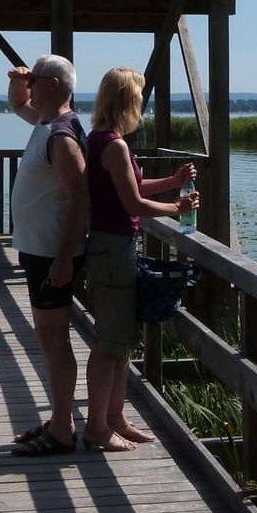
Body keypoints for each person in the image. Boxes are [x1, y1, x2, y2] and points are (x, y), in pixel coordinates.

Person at [82, 66, 197, 452]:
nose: (141, 106)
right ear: (126, 100)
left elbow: (129, 187)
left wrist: (172, 182)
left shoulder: (102, 140)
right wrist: (176, 208)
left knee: (120, 340)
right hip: (113, 248)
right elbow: (131, 202)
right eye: (138, 97)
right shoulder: (112, 145)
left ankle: (115, 417)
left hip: (111, 246)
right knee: (108, 342)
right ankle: (97, 428)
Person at [5, 54, 88, 456]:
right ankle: (61, 419)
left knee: (55, 339)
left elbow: (79, 199)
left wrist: (64, 258)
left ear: (53, 85)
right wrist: (18, 79)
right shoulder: (44, 122)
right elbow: (17, 104)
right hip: (38, 252)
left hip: (52, 255)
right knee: (47, 336)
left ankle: (61, 430)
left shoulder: (61, 135)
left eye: (35, 79)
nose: (29, 85)